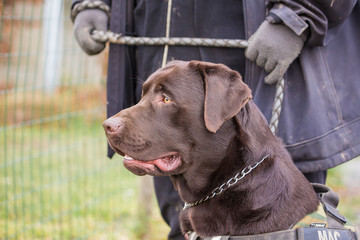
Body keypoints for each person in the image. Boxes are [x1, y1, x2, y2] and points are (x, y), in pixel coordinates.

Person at [71, 1, 360, 239]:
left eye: (161, 99)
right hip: (160, 46)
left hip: (269, 51)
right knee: (181, 221)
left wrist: (298, 14)